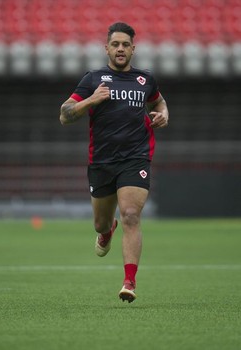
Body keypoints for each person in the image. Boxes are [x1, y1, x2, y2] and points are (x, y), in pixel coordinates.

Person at [59, 22, 169, 303]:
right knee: (100, 222)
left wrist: (163, 114)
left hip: (136, 158)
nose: (120, 49)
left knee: (131, 214)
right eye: (115, 44)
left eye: (125, 45)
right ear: (106, 48)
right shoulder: (93, 79)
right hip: (102, 162)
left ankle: (129, 281)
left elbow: (159, 103)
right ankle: (106, 232)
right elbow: (65, 114)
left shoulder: (146, 80)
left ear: (133, 48)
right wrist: (90, 101)